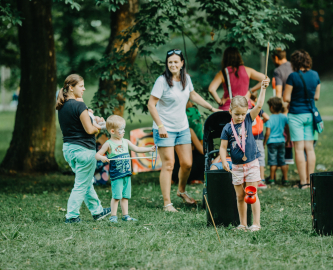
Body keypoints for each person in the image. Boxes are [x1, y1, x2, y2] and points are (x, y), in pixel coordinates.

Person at [147, 49, 220, 212]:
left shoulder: (186, 79)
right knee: (169, 164)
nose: (173, 64)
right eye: (170, 62)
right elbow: (151, 104)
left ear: (182, 63)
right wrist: (160, 126)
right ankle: (167, 203)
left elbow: (192, 95)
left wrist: (211, 108)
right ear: (167, 64)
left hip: (182, 127)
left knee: (187, 163)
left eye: (176, 61)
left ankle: (181, 190)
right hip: (164, 128)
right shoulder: (162, 81)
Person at [56, 74, 111, 223]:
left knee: (85, 182)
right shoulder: (79, 106)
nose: (84, 88)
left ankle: (97, 211)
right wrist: (98, 127)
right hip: (84, 151)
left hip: (69, 150)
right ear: (71, 87)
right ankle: (72, 216)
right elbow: (89, 130)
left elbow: (79, 124)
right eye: (81, 86)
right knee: (81, 184)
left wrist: (92, 117)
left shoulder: (62, 105)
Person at [219, 78, 269, 232]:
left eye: (242, 113)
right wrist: (224, 161)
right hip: (237, 167)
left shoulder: (248, 119)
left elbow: (259, 105)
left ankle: (256, 224)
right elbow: (222, 147)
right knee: (240, 197)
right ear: (230, 112)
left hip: (252, 164)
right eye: (237, 114)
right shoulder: (227, 128)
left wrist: (263, 89)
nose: (240, 117)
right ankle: (242, 224)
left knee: (252, 194)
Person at [95, 115, 155, 222]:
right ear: (112, 131)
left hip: (126, 174)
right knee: (117, 196)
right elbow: (97, 155)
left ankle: (125, 216)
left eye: (124, 129)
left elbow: (136, 148)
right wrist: (103, 158)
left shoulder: (125, 141)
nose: (123, 131)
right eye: (121, 130)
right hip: (117, 175)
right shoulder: (108, 144)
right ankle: (113, 216)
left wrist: (149, 148)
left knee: (125, 196)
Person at [283, 50, 321, 189]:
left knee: (299, 149)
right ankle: (311, 181)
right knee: (309, 149)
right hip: (310, 115)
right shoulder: (315, 74)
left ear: (294, 62)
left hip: (296, 115)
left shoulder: (293, 76)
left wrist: (293, 98)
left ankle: (303, 182)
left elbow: (286, 98)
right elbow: (316, 96)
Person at [263, 97, 290, 185]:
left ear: (271, 107)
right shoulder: (284, 117)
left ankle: (272, 179)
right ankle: (285, 179)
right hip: (281, 141)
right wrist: (288, 140)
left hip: (271, 142)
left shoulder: (269, 118)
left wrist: (264, 142)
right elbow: (287, 130)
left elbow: (267, 133)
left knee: (272, 161)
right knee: (282, 160)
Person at [249, 92, 269, 189]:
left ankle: (251, 179)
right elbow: (267, 117)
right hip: (257, 135)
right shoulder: (255, 107)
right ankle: (261, 179)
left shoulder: (244, 106)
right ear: (256, 99)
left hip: (246, 135)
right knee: (260, 157)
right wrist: (261, 121)